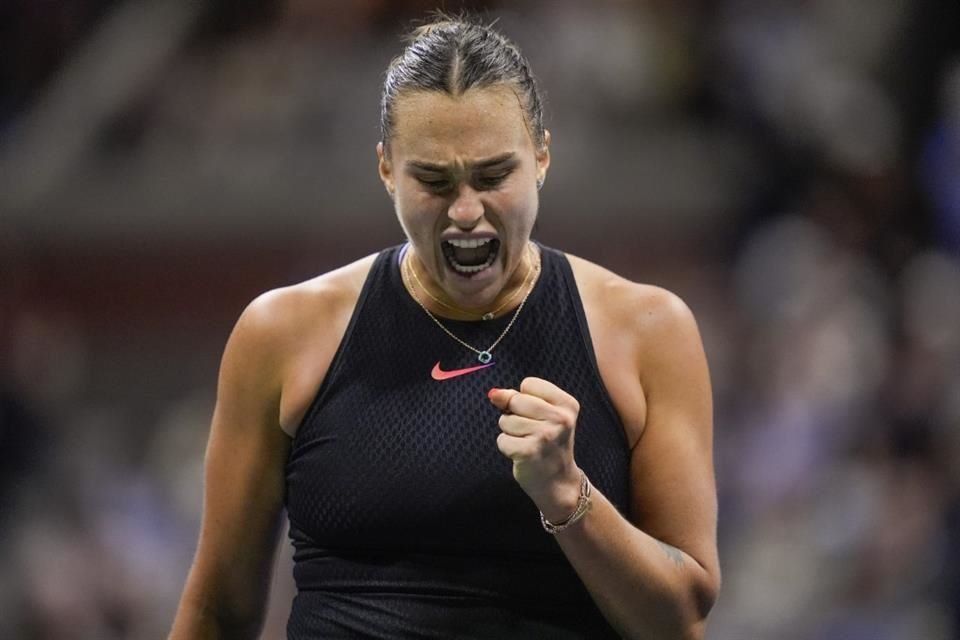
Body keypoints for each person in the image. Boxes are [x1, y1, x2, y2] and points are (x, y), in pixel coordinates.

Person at [169, 13, 719, 640]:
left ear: (541, 155)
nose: (465, 211)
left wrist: (569, 496)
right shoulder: (283, 333)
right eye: (433, 180)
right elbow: (217, 612)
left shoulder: (648, 331)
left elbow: (680, 617)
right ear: (386, 170)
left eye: (493, 176)